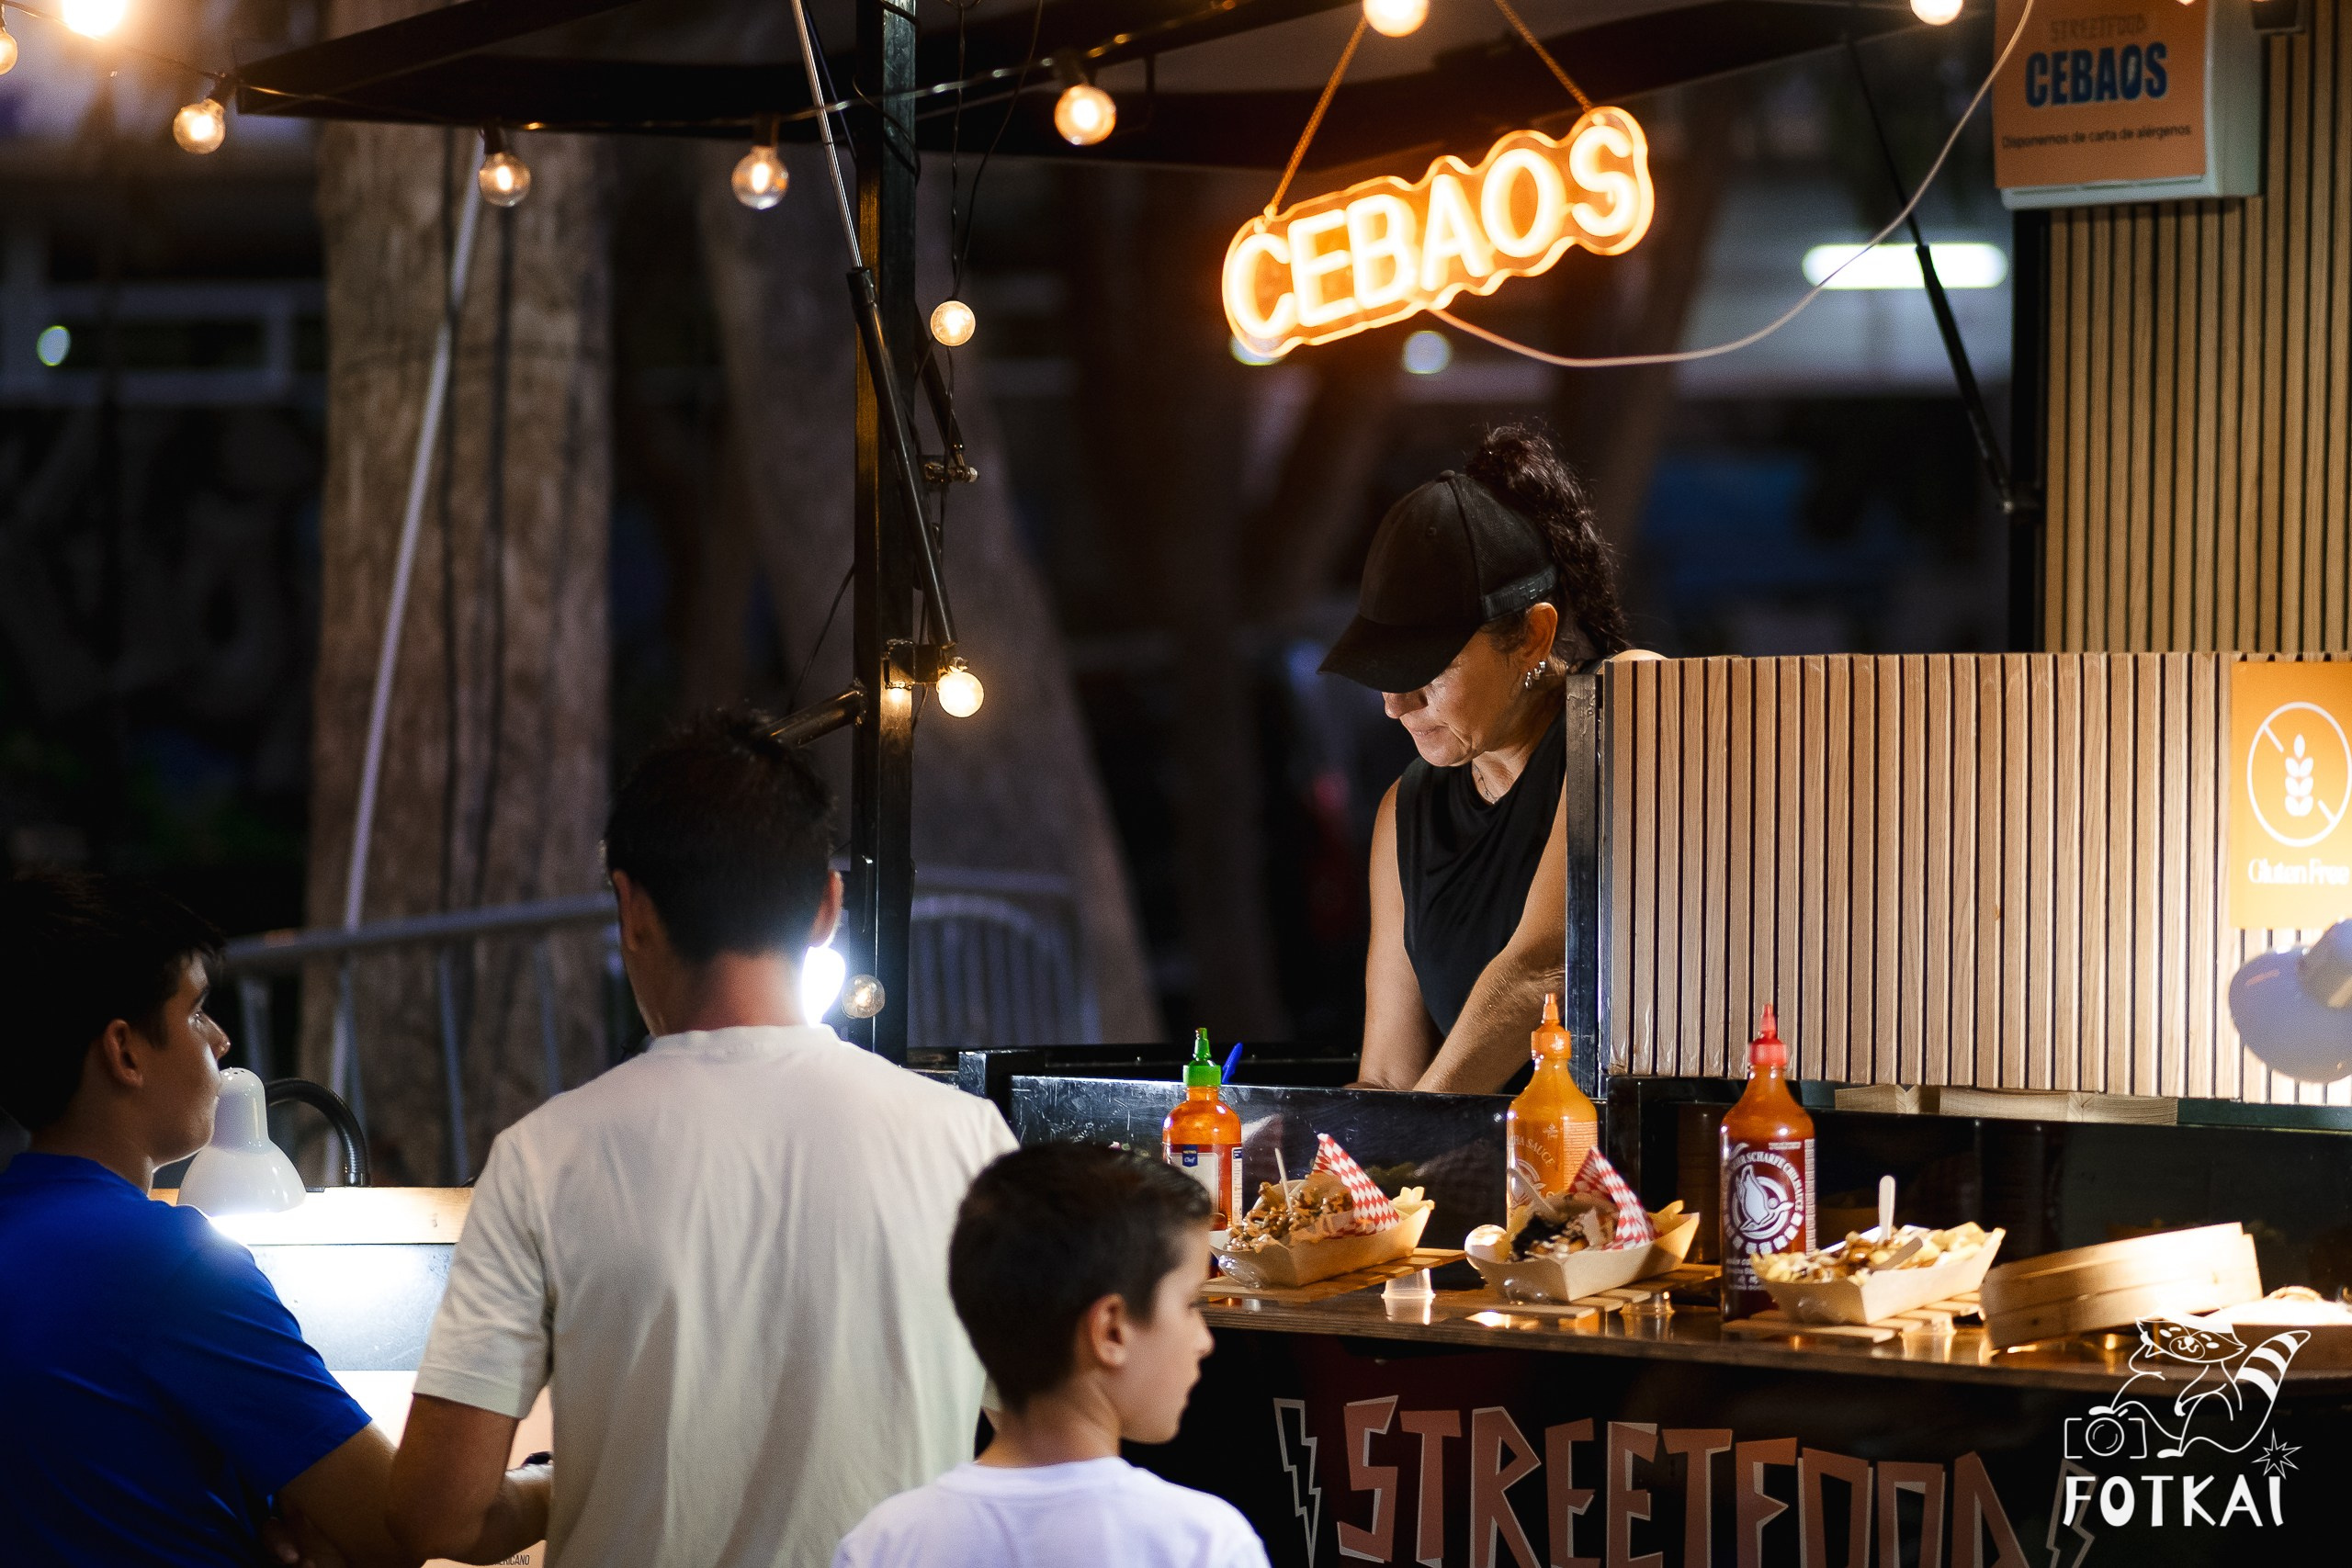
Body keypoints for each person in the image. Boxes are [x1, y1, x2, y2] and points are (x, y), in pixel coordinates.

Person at [390, 707, 1021, 1568]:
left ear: (631, 907)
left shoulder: (546, 1157)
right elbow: (1052, 1436)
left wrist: (553, 1483)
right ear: (829, 908)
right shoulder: (967, 1142)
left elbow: (433, 1516)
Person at [0, 872, 413, 1568]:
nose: (220, 1040)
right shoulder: (167, 1260)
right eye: (195, 1013)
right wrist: (551, 1482)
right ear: (125, 1050)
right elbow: (397, 1526)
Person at [1321, 424, 1646, 1094]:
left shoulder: (1629, 707)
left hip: (1649, 1180)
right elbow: (1387, 1074)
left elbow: (1542, 967)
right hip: (1497, 1187)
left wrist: (1407, 1137)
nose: (1396, 704)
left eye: (1428, 670)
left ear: (1533, 635)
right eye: (1386, 671)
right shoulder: (1405, 813)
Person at [833, 1143, 1270, 1568]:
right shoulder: (1202, 1544)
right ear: (1111, 1330)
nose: (1204, 1341)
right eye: (1191, 1304)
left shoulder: (883, 1543)